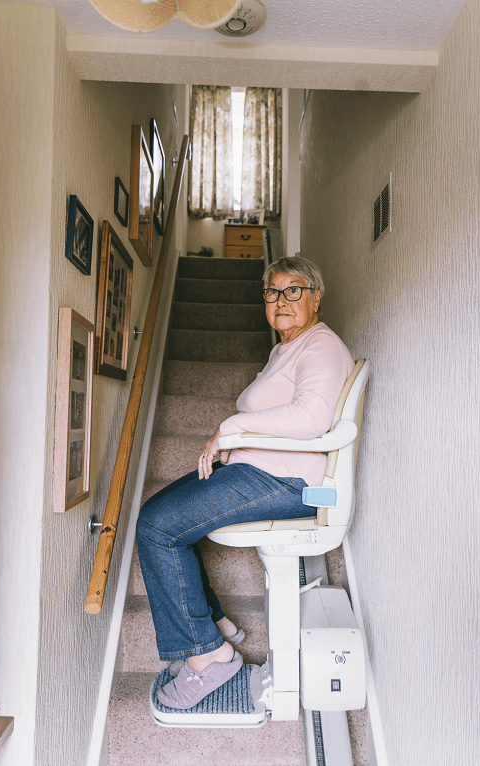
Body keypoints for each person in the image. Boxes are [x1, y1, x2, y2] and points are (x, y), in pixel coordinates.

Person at [136, 256, 354, 710]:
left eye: (293, 290)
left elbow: (312, 418)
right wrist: (233, 440)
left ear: (316, 296)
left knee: (159, 528)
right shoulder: (285, 349)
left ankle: (208, 658)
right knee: (157, 516)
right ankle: (211, 624)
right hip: (259, 471)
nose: (281, 300)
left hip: (285, 479)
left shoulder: (321, 347)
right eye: (273, 292)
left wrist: (230, 428)